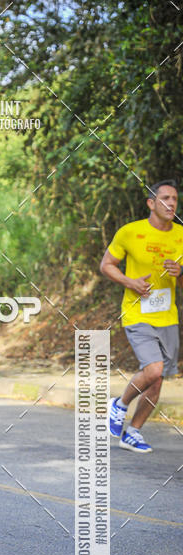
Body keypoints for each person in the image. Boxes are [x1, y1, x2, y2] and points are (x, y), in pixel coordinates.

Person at [100, 180, 183, 452]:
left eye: (174, 199)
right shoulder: (130, 232)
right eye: (165, 198)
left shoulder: (181, 236)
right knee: (153, 369)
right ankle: (119, 404)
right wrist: (130, 282)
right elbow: (107, 265)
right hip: (137, 312)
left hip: (167, 317)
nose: (171, 203)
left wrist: (179, 274)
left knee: (157, 380)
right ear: (151, 203)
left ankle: (133, 432)